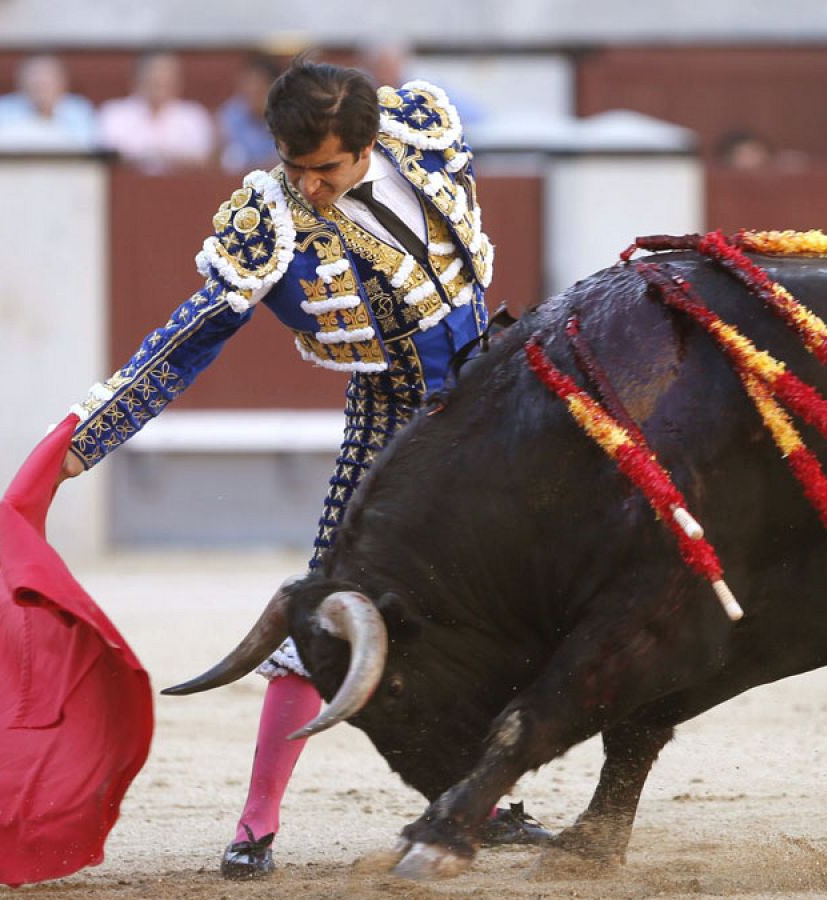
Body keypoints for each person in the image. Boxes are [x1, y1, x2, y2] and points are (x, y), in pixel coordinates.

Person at [58, 56, 551, 879]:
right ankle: (255, 826)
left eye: (324, 169)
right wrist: (82, 439)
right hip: (393, 423)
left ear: (365, 145)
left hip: (493, 402)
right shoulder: (270, 216)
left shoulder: (422, 131)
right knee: (321, 613)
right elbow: (189, 336)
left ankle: (482, 802)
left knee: (505, 604)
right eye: (294, 165)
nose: (308, 187)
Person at [98, 51, 214, 172]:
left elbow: (204, 160)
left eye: (166, 77)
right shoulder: (114, 114)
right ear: (137, 78)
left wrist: (160, 156)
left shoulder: (193, 116)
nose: (160, 81)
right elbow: (108, 157)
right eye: (154, 77)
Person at [0, 53, 97, 145]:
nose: (40, 82)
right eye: (33, 75)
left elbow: (84, 148)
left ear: (62, 81)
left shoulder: (79, 109)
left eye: (47, 75)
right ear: (19, 80)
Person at [217, 55, 282, 173]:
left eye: (259, 90)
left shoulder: (289, 120)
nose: (252, 95)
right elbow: (217, 156)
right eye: (248, 88)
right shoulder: (231, 115)